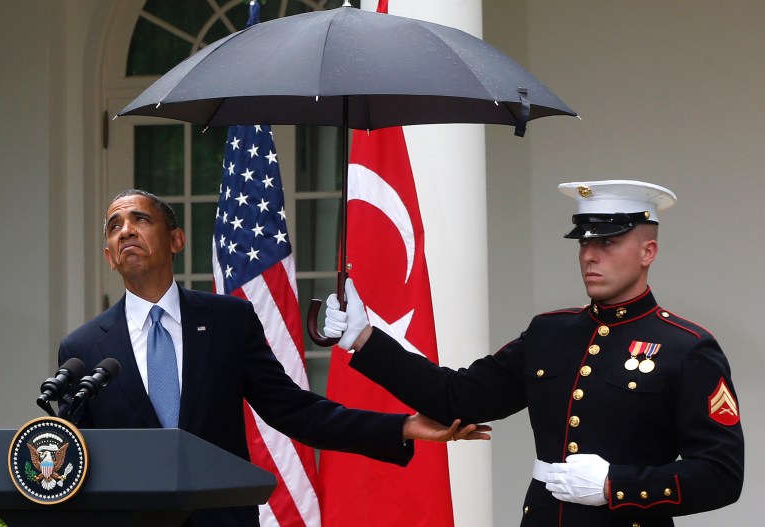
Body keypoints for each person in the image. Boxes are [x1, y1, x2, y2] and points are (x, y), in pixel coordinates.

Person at [323, 180, 745, 526]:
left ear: (647, 252)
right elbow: (457, 398)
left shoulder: (686, 348)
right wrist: (364, 338)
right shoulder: (550, 332)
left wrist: (614, 485)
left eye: (609, 242)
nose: (590, 255)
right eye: (583, 243)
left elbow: (721, 474)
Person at [58, 189, 489, 527]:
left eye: (140, 219)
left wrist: (403, 426)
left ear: (175, 240)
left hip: (222, 521)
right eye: (115, 227)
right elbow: (75, 460)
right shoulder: (83, 349)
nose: (126, 230)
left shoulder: (228, 321)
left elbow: (296, 411)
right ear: (110, 257)